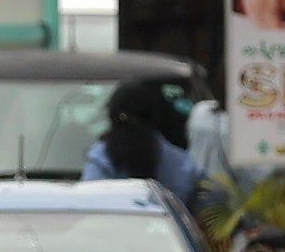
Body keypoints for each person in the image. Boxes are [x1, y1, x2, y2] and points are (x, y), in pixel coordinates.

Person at [78, 77, 205, 210]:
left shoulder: (101, 158)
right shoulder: (183, 164)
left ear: (112, 115)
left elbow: (88, 203)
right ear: (154, 116)